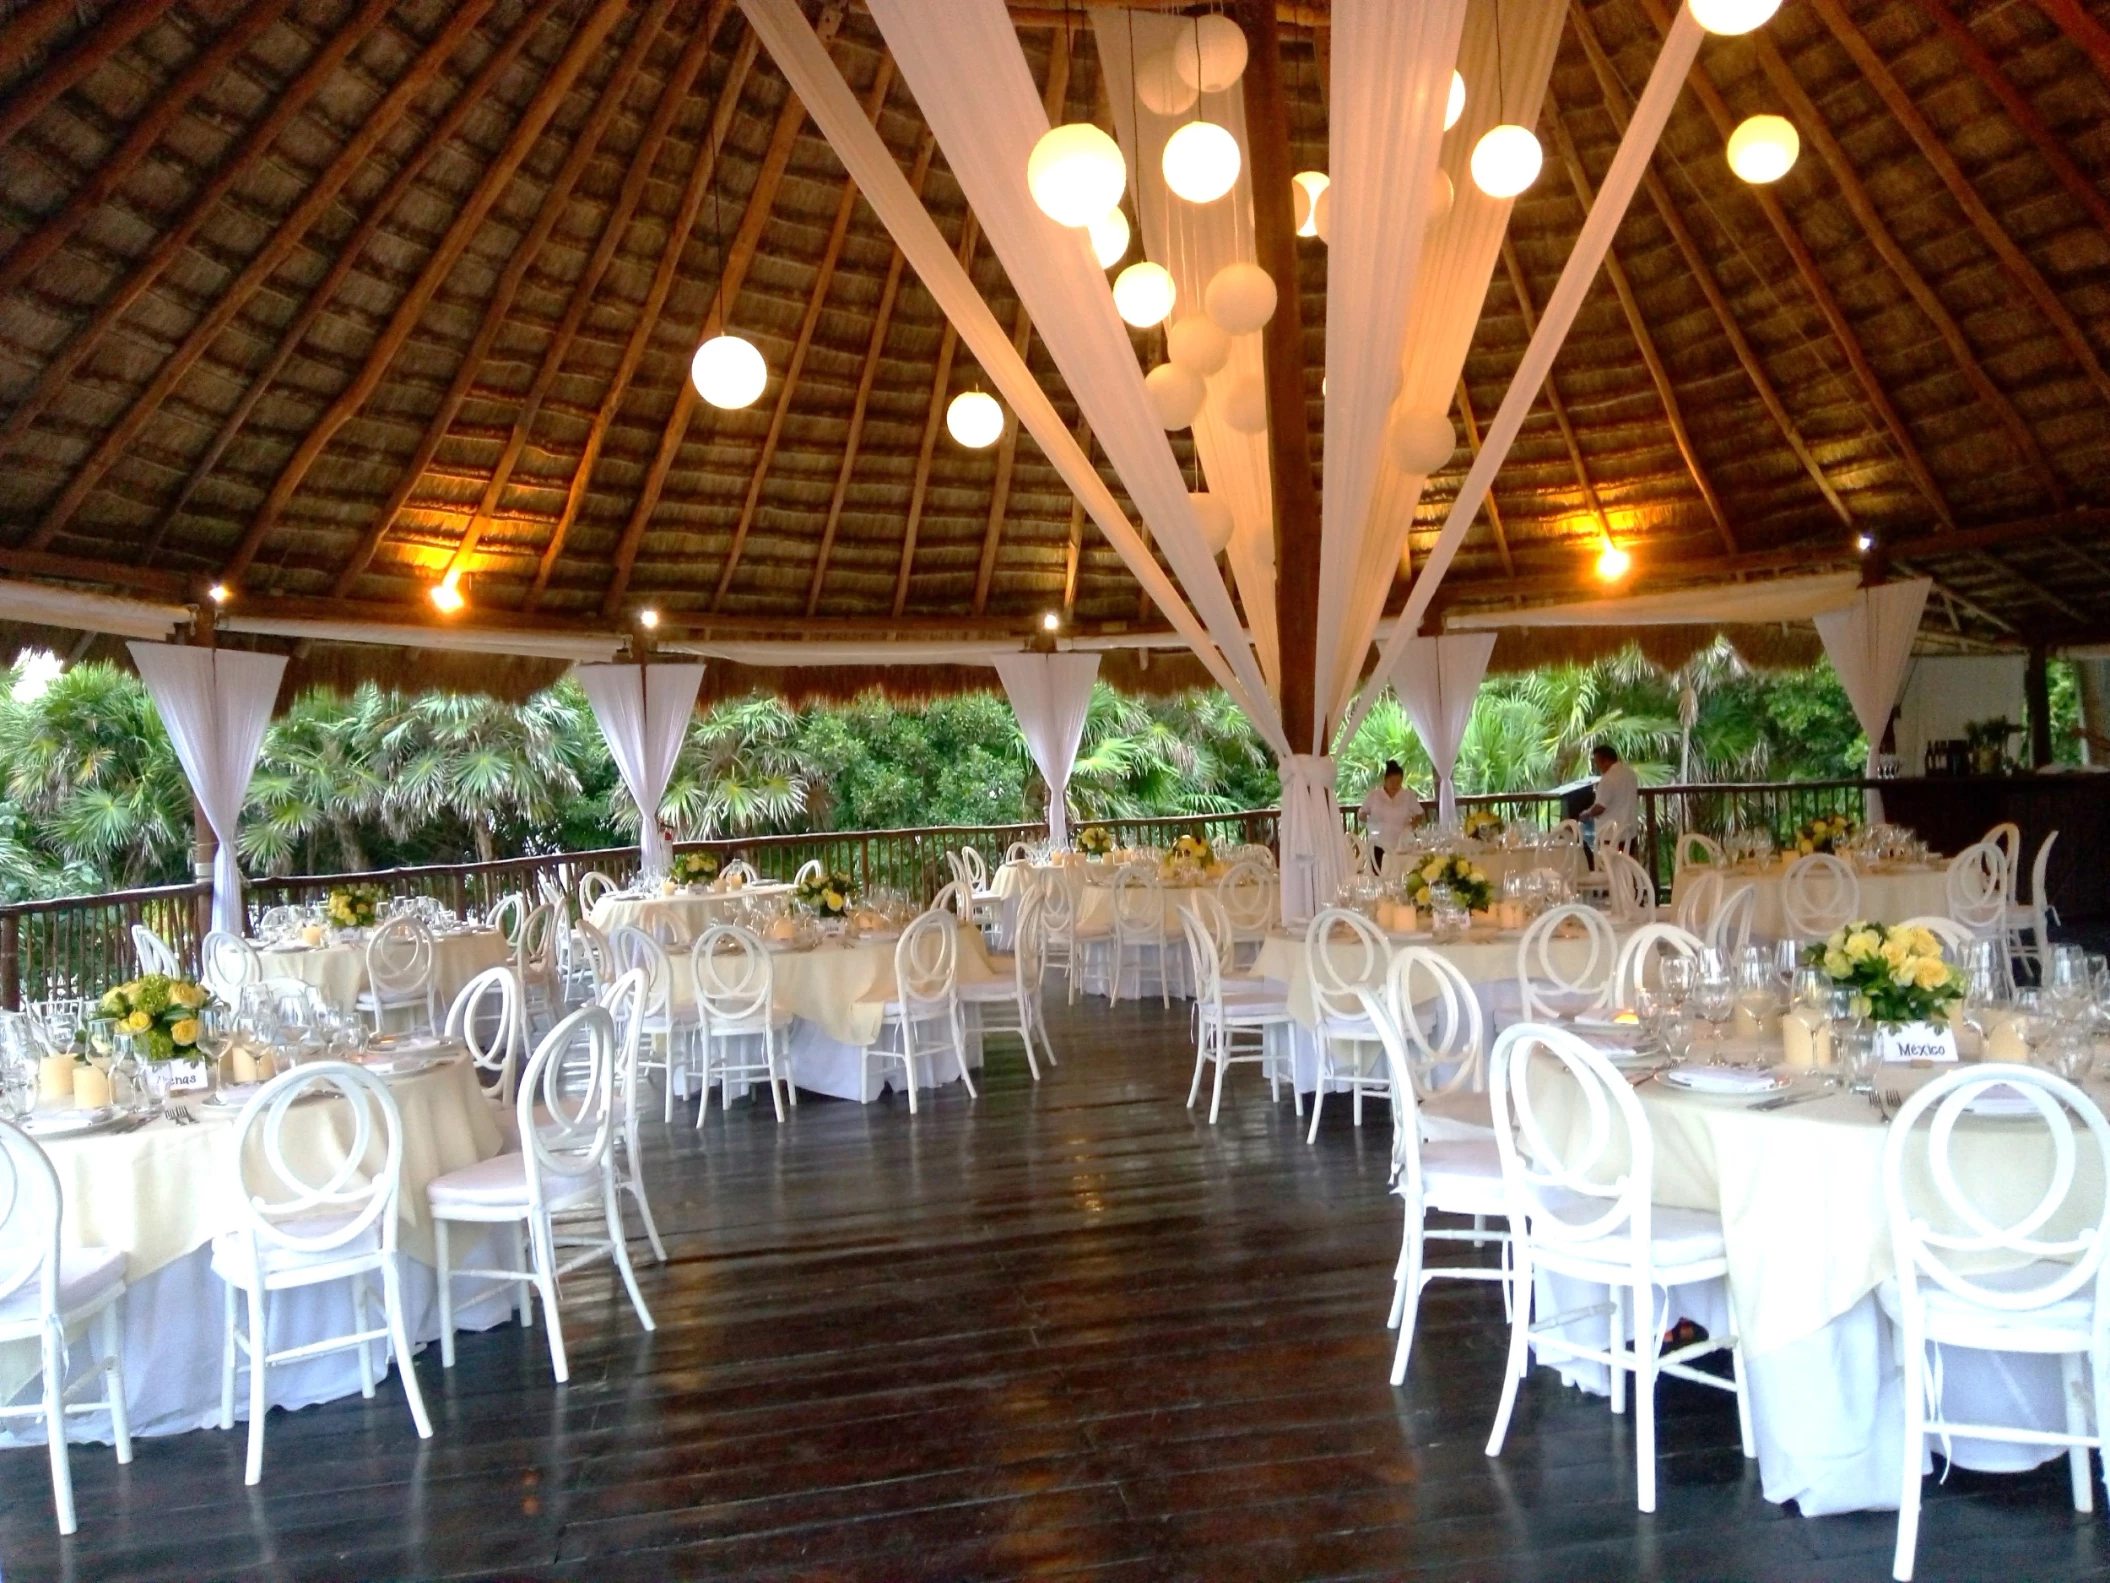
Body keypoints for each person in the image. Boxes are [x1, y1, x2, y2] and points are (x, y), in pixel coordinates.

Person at [1362, 761, 1422, 876]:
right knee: (1378, 876)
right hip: (1378, 844)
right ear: (1385, 780)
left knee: (1400, 875)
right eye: (1392, 782)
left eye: (1398, 782)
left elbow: (1419, 814)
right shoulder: (1374, 795)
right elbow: (1362, 813)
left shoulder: (1408, 796)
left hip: (1401, 844)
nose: (1395, 785)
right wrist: (1368, 820)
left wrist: (1412, 825)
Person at [1584, 743, 1639, 851]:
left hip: (1611, 835)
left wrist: (1586, 813)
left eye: (1597, 762)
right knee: (1627, 859)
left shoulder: (1607, 779)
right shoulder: (1630, 773)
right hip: (1629, 831)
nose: (1597, 766)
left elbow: (1600, 807)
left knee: (1608, 861)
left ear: (1605, 760)